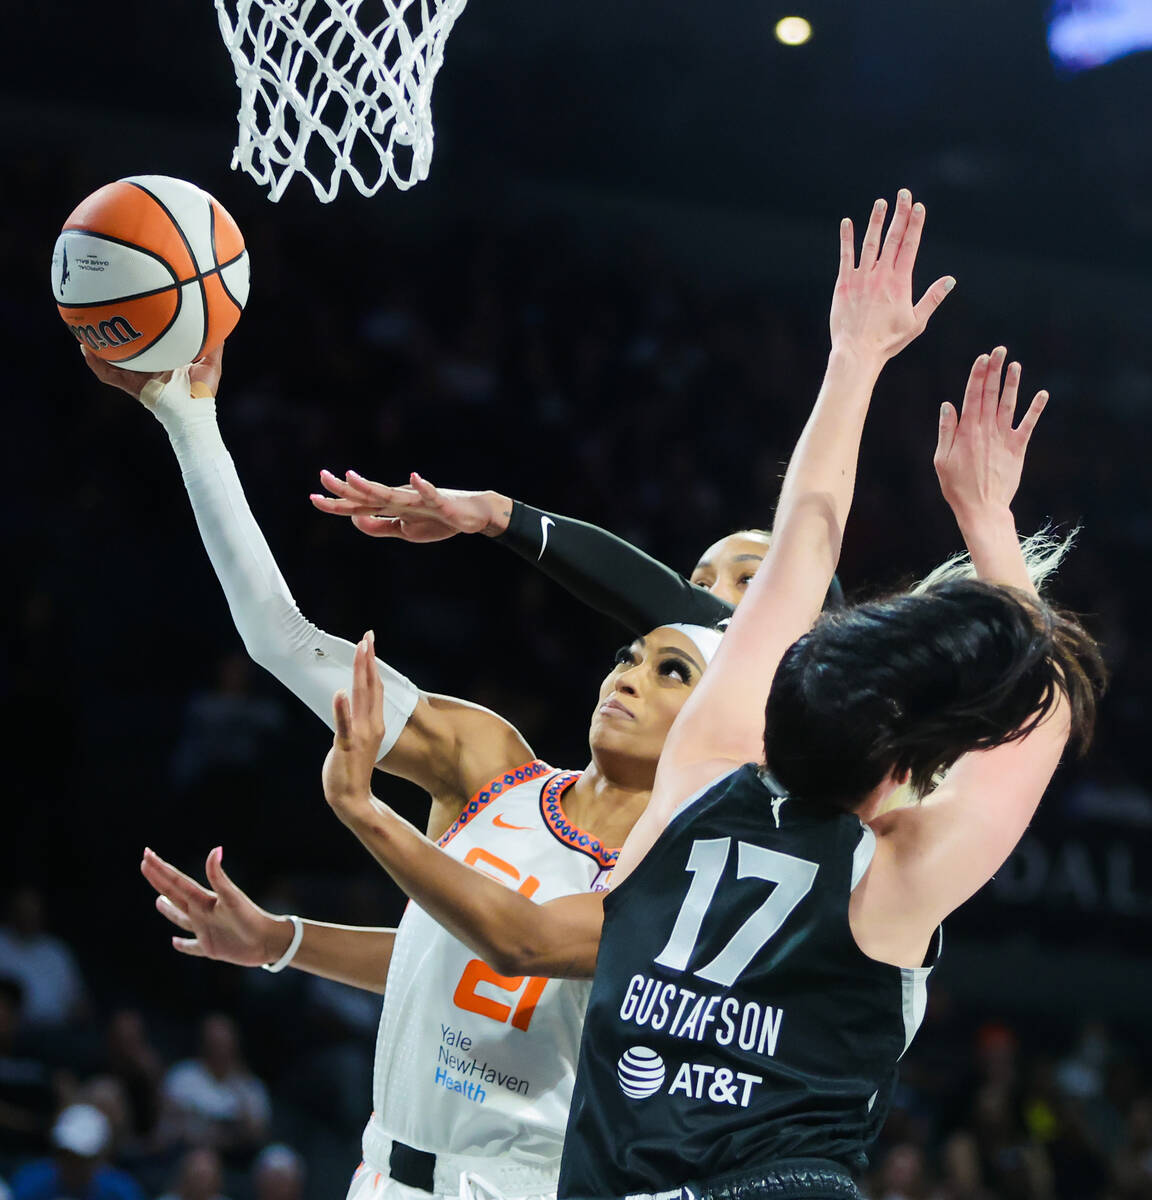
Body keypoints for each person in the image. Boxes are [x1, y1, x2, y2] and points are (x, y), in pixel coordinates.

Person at [306, 193, 1104, 1198]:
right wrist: (989, 519)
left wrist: (853, 356)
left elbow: (805, 533)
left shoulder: (698, 772)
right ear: (903, 764)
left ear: (772, 704)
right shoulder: (893, 874)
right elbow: (1054, 698)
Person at [82, 347, 722, 1200]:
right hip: (380, 1172)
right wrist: (188, 422)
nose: (631, 675)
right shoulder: (492, 764)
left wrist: (365, 814)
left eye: (672, 669)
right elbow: (284, 640)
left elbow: (521, 944)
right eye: (629, 655)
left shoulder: (687, 873)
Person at [10, 1104, 144, 1200]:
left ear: (99, 1158)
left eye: (82, 1158)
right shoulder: (30, 1182)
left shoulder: (121, 1191)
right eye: (66, 1155)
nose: (73, 1164)